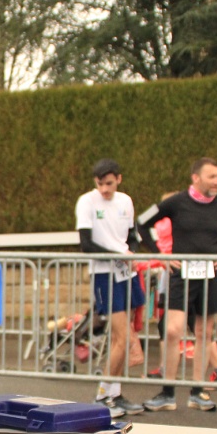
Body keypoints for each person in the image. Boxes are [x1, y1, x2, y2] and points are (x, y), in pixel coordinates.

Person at [138, 157, 217, 412]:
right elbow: (142, 222)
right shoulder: (176, 202)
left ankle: (198, 392)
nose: (216, 181)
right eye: (212, 177)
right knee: (173, 330)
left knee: (203, 333)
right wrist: (161, 255)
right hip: (181, 274)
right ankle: (167, 393)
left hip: (211, 275)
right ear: (196, 178)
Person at [75, 159, 145, 418]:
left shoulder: (126, 200)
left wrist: (131, 253)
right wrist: (117, 256)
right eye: (100, 184)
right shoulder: (87, 201)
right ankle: (102, 395)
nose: (104, 189)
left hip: (127, 272)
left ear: (119, 179)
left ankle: (114, 393)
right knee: (122, 337)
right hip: (105, 274)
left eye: (109, 183)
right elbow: (86, 244)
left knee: (122, 339)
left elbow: (133, 237)